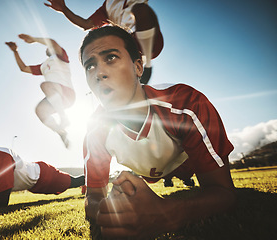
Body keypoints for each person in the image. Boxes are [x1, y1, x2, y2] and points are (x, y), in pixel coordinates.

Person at [79, 25, 236, 239]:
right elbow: (93, 196)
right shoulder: (95, 130)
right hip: (148, 174)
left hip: (187, 163)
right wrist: (108, 213)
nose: (99, 73)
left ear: (138, 68)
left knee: (196, 182)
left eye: (111, 58)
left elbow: (224, 193)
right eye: (90, 66)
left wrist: (167, 214)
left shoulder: (185, 103)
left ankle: (186, 180)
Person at [45, 0, 163, 84]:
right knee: (100, 37)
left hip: (149, 38)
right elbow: (86, 24)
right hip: (126, 44)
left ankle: (146, 65)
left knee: (141, 9)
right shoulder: (107, 5)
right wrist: (64, 9)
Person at [6, 34, 75, 148]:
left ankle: (64, 118)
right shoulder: (43, 66)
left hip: (67, 93)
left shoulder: (61, 57)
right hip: (55, 97)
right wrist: (15, 51)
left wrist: (34, 39)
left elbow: (52, 42)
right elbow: (23, 68)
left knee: (45, 85)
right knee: (40, 110)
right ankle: (61, 132)